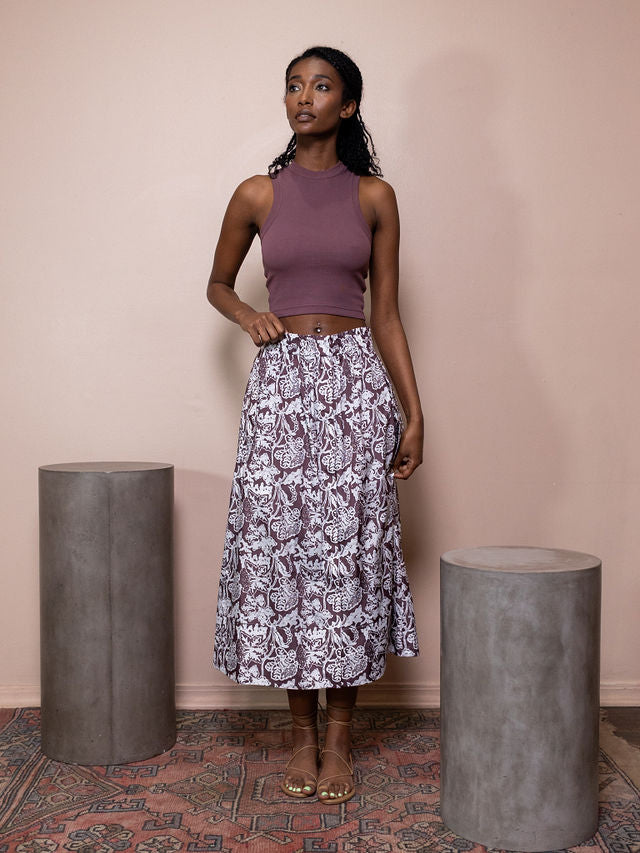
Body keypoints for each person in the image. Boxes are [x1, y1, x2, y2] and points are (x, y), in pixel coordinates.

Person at [207, 46, 422, 805]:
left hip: (355, 385)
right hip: (280, 387)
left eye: (321, 86)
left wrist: (414, 411)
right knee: (285, 553)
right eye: (294, 85)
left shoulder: (374, 197)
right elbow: (218, 283)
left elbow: (387, 314)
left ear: (348, 105)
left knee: (345, 555)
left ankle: (339, 740)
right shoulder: (258, 194)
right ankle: (298, 734)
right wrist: (250, 315)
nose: (304, 96)